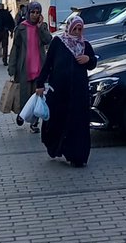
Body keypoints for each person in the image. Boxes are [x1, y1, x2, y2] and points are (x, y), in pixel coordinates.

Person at [35, 16, 96, 165]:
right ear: (69, 28)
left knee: (77, 124)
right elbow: (48, 63)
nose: (77, 32)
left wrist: (88, 59)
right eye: (74, 29)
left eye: (79, 29)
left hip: (78, 93)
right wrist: (40, 84)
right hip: (59, 91)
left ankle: (77, 156)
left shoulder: (85, 45)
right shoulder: (58, 42)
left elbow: (92, 63)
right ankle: (55, 147)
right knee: (57, 120)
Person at [8, 1, 51, 132]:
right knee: (24, 95)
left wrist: (40, 27)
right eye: (32, 12)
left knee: (37, 96)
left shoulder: (42, 26)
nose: (35, 15)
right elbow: (15, 48)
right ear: (28, 12)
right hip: (24, 68)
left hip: (39, 68)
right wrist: (12, 67)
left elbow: (48, 40)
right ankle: (22, 113)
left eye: (37, 12)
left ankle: (34, 123)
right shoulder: (21, 28)